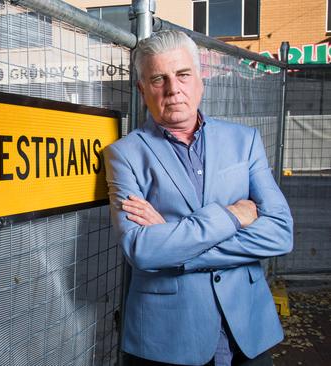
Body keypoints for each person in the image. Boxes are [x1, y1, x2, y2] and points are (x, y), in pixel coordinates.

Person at [103, 30, 293, 366]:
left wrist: (176, 245)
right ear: (141, 88)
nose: (173, 89)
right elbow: (142, 250)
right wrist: (232, 216)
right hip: (169, 338)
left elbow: (280, 233)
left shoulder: (244, 141)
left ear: (201, 80)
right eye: (158, 78)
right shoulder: (124, 155)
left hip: (247, 330)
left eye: (182, 75)